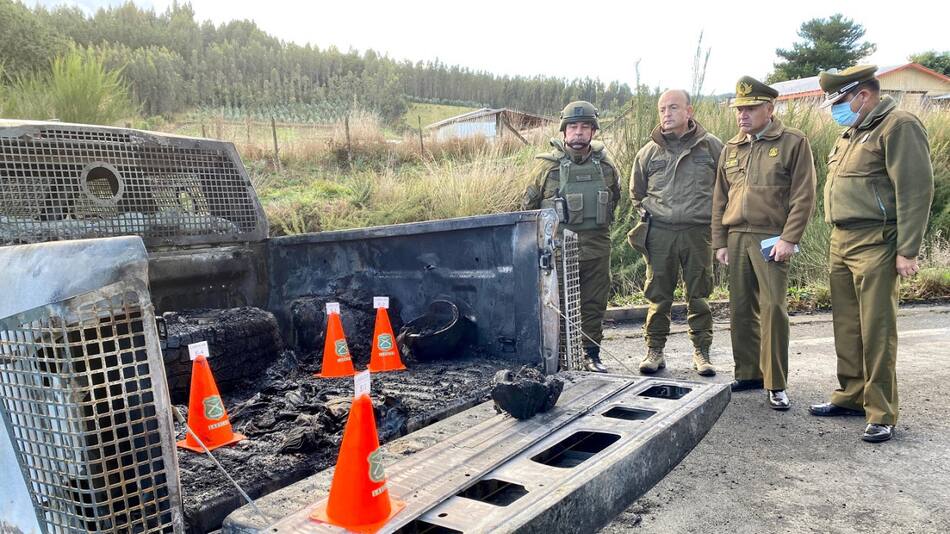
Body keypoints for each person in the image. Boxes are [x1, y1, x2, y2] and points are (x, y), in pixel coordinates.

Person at [808, 65, 934, 443]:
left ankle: (881, 411)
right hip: (842, 239)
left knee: (877, 329)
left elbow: (915, 191)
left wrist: (907, 250)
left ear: (863, 95)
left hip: (877, 241)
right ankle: (850, 395)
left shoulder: (898, 126)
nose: (836, 110)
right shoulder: (852, 133)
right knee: (847, 325)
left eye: (840, 101)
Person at [711, 76, 816, 409]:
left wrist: (790, 238)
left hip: (771, 237)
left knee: (772, 308)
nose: (743, 115)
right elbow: (719, 199)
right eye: (739, 109)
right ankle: (749, 373)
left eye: (751, 108)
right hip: (737, 235)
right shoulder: (731, 147)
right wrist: (720, 242)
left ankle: (775, 383)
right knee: (741, 309)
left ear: (769, 109)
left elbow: (804, 195)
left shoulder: (792, 142)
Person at [523, 101, 621, 373]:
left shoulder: (607, 168)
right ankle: (560, 359)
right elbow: (527, 212)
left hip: (597, 250)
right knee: (557, 308)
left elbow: (615, 202)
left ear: (593, 131)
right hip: (558, 252)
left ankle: (592, 355)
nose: (578, 133)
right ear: (564, 131)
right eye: (573, 127)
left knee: (594, 305)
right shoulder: (546, 169)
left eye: (585, 127)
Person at [630, 89, 723, 376]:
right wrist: (649, 213)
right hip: (661, 235)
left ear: (689, 111)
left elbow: (726, 187)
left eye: (673, 107)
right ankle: (654, 350)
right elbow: (637, 193)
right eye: (662, 109)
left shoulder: (711, 148)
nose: (666, 114)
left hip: (698, 233)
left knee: (699, 295)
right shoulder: (648, 152)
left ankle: (702, 352)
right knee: (658, 296)